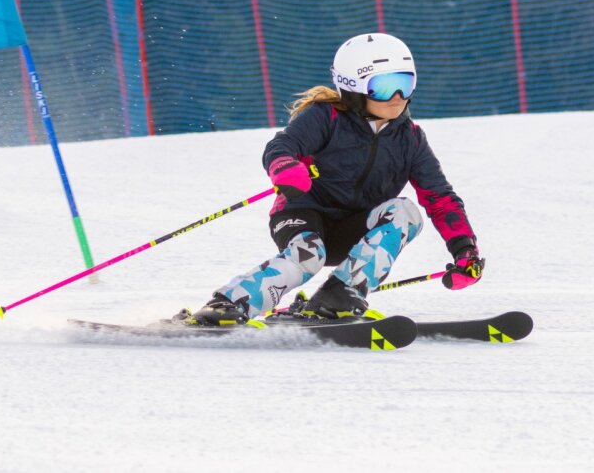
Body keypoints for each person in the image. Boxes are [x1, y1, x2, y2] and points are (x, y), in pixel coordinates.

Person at [186, 32, 484, 326]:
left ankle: (338, 296)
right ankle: (228, 303)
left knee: (405, 212)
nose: (397, 97)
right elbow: (282, 146)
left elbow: (440, 198)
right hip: (302, 213)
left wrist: (464, 250)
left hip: (355, 228)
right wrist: (286, 168)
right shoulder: (325, 117)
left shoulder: (411, 139)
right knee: (307, 256)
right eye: (383, 88)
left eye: (405, 84)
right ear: (353, 88)